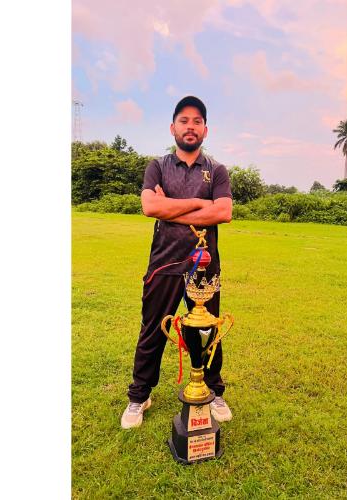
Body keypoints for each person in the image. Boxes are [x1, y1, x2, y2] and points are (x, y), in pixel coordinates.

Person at [121, 96, 234, 429]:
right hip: (164, 263)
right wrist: (200, 204)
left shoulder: (217, 170)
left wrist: (170, 205)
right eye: (184, 121)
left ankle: (213, 391)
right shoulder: (157, 167)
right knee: (153, 330)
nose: (190, 126)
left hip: (204, 267)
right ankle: (140, 396)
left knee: (208, 330)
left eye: (197, 121)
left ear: (205, 130)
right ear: (173, 128)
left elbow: (223, 211)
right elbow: (150, 207)